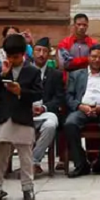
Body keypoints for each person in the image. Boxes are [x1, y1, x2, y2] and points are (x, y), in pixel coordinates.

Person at [0, 33, 43, 200]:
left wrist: (21, 92)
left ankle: (28, 188)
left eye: (16, 57)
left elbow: (38, 93)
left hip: (23, 116)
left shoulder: (32, 71)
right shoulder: (2, 68)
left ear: (23, 55)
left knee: (25, 155)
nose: (12, 60)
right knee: (0, 155)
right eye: (9, 56)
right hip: (4, 115)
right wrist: (3, 75)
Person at [64, 45, 100, 177]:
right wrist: (80, 106)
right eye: (94, 56)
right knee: (70, 124)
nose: (96, 60)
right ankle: (81, 163)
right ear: (88, 57)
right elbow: (69, 96)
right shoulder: (76, 75)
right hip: (82, 109)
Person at [32, 38, 65, 175]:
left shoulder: (55, 74)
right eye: (38, 50)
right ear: (32, 52)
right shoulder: (23, 71)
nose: (41, 54)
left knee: (51, 124)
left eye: (44, 51)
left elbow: (59, 98)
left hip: (45, 112)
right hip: (25, 112)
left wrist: (44, 108)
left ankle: (33, 161)